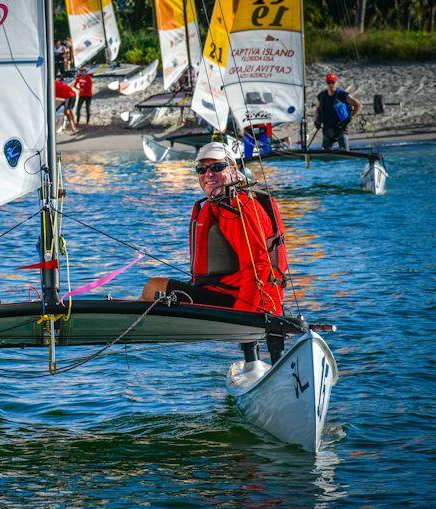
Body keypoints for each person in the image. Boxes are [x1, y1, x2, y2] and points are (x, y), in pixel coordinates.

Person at [140, 142, 288, 362]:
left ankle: (121, 331)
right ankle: (254, 361)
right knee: (154, 292)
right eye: (202, 170)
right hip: (229, 294)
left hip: (244, 303)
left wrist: (241, 319)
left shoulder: (237, 207)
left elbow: (259, 265)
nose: (208, 174)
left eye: (217, 167)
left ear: (233, 170)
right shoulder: (223, 201)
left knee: (154, 288)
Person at [315, 73, 361, 151]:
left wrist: (351, 117)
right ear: (326, 83)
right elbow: (317, 109)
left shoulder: (342, 95)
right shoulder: (321, 96)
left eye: (333, 82)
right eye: (329, 82)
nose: (331, 84)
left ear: (336, 82)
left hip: (341, 129)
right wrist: (316, 121)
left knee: (345, 153)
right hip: (327, 131)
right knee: (324, 157)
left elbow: (358, 105)